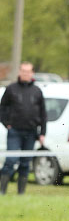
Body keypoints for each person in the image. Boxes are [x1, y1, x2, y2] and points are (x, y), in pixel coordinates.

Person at [0, 62, 46, 195]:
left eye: (28, 71)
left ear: (32, 73)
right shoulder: (11, 89)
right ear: (19, 72)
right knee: (11, 160)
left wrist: (42, 133)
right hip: (14, 131)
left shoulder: (37, 91)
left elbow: (43, 113)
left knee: (25, 163)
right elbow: (2, 108)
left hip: (31, 132)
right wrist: (7, 123)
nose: (26, 73)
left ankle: (21, 193)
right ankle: (2, 191)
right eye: (23, 71)